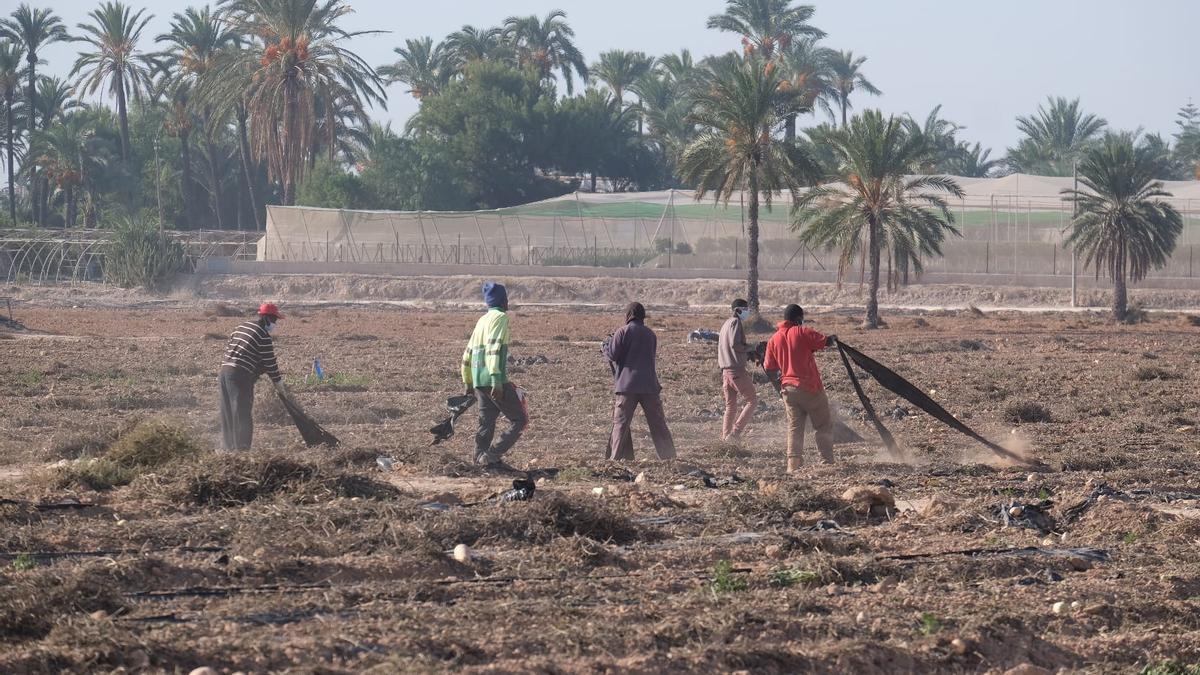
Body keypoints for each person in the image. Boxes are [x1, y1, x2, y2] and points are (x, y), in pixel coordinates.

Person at [763, 304, 837, 472]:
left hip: (788, 390)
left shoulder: (773, 339)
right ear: (798, 319)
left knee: (795, 428)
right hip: (810, 388)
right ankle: (827, 462)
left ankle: (793, 465)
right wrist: (833, 339)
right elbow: (825, 341)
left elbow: (769, 366)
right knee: (823, 425)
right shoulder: (802, 332)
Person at [462, 281, 527, 472]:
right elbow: (493, 348)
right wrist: (496, 380)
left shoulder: (482, 320)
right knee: (520, 420)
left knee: (486, 421)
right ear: (503, 300)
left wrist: (468, 381)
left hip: (478, 380)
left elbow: (468, 353)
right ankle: (491, 456)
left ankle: (478, 460)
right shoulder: (501, 318)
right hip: (492, 379)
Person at [603, 302, 676, 461]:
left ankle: (615, 459)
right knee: (658, 424)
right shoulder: (651, 334)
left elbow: (613, 355)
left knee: (621, 425)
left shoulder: (622, 332)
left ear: (628, 315)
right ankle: (669, 458)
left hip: (627, 386)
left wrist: (606, 347)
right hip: (649, 385)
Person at [219, 302, 287, 451]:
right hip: (239, 375)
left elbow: (234, 347)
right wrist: (279, 385)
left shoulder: (242, 327)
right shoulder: (263, 336)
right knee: (242, 413)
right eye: (275, 320)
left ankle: (227, 449)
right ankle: (242, 451)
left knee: (228, 413)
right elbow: (271, 365)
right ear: (267, 318)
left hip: (224, 372)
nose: (275, 324)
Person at [718, 298, 758, 441]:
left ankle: (725, 438)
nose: (747, 312)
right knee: (752, 400)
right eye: (745, 309)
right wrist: (751, 348)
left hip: (725, 372)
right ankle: (734, 434)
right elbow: (735, 344)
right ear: (738, 310)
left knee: (731, 406)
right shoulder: (735, 322)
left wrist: (746, 353)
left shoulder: (725, 324)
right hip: (736, 371)